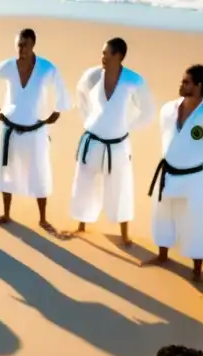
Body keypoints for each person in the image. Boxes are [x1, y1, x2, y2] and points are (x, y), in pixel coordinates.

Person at [65, 38, 154, 248]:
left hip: (118, 145)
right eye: (102, 53)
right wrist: (89, 120)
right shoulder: (93, 75)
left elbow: (147, 111)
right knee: (84, 183)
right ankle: (81, 225)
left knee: (121, 188)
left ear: (119, 56)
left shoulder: (134, 81)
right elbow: (81, 95)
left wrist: (125, 125)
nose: (102, 57)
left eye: (106, 53)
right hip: (93, 141)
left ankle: (124, 234)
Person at [0, 28, 71, 233]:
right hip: (10, 130)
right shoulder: (7, 66)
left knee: (40, 171)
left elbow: (61, 90)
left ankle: (43, 218)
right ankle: (6, 213)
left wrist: (57, 111)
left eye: (24, 44)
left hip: (36, 130)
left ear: (33, 44)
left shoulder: (46, 68)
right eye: (18, 44)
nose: (20, 48)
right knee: (7, 171)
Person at [149, 65, 203, 281]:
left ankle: (196, 269)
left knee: (195, 222)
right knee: (162, 215)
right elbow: (165, 135)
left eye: (187, 82)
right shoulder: (168, 109)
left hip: (193, 177)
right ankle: (162, 256)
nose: (181, 84)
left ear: (199, 86)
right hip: (167, 172)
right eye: (183, 80)